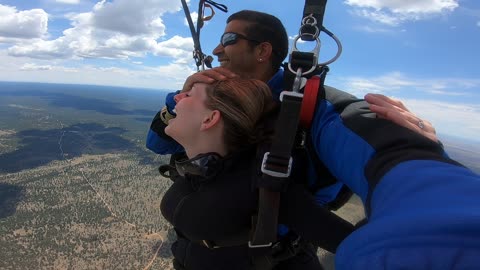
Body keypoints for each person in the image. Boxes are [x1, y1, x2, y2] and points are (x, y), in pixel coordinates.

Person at [147, 9, 443, 269]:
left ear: (262, 50)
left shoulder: (313, 108)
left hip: (271, 259)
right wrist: (178, 101)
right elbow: (158, 144)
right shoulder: (213, 97)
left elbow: (389, 168)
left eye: (228, 40)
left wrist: (416, 151)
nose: (217, 50)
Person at [160, 79, 355, 270]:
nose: (177, 96)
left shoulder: (266, 185)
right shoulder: (199, 170)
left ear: (209, 119)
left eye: (189, 94)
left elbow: (357, 243)